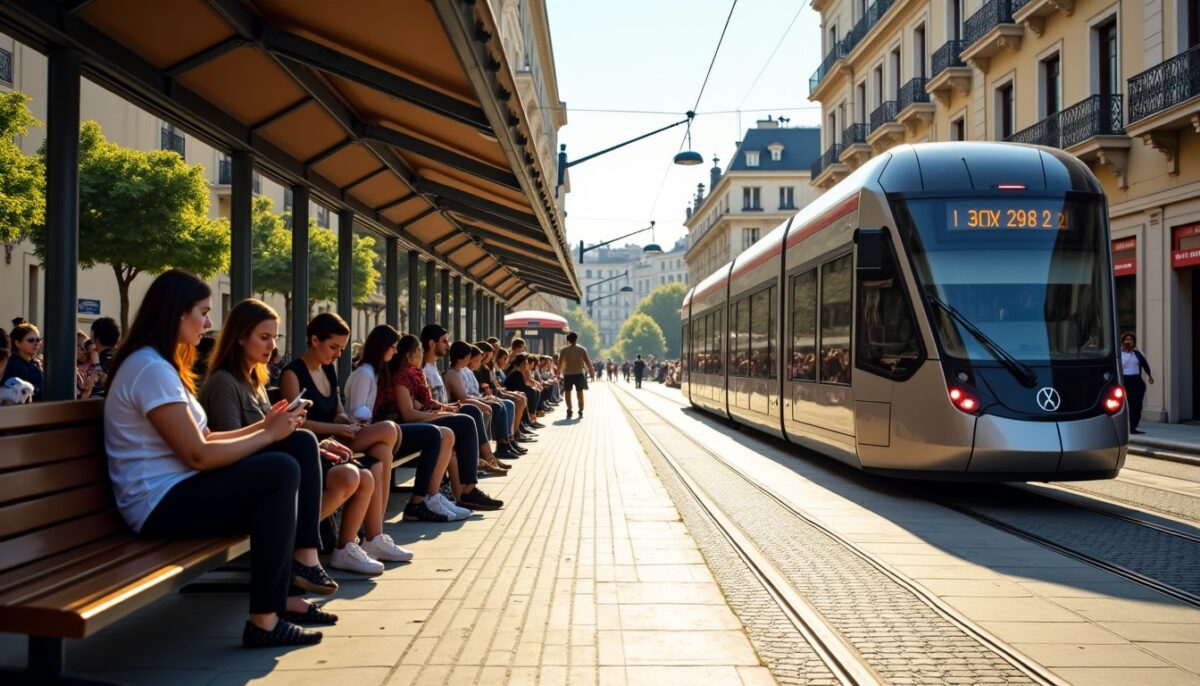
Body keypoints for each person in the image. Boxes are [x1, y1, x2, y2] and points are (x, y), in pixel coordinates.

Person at [104, 270, 327, 648]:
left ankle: (303, 563)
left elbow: (205, 438)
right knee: (280, 469)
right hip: (157, 503)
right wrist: (268, 434)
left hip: (178, 488)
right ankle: (265, 620)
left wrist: (267, 427)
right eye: (204, 313)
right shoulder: (150, 369)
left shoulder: (158, 365)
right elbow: (198, 455)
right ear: (177, 313)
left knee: (299, 444)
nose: (208, 324)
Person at [280, 313, 412, 573]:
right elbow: (295, 423)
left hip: (337, 439)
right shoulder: (292, 374)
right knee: (388, 430)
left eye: (341, 349)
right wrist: (338, 428)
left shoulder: (328, 370)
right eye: (333, 347)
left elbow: (338, 410)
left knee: (381, 453)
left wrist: (348, 422)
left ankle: (365, 539)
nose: (338, 354)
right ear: (314, 340)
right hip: (312, 445)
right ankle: (368, 539)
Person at [346, 324, 458, 524]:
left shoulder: (376, 372)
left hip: (374, 432)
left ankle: (378, 527)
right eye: (392, 347)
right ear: (381, 347)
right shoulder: (365, 373)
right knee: (431, 434)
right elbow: (357, 413)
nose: (396, 352)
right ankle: (420, 501)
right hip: (362, 433)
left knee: (388, 447)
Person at [387, 334, 503, 512]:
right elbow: (409, 414)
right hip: (405, 427)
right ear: (411, 354)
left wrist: (443, 409)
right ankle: (462, 490)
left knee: (466, 417)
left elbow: (423, 404)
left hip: (418, 420)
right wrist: (439, 414)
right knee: (463, 422)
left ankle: (463, 490)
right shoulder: (403, 376)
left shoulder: (414, 374)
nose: (421, 354)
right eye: (419, 350)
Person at [420, 325, 510, 476]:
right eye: (444, 341)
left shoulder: (434, 367)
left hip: (441, 411)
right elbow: (426, 404)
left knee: (473, 411)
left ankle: (480, 462)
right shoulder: (424, 370)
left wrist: (449, 407)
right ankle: (478, 463)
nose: (448, 345)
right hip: (433, 416)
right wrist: (448, 408)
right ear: (431, 343)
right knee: (470, 414)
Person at [444, 341, 519, 463]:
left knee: (493, 406)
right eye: (468, 357)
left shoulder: (461, 371)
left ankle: (493, 450)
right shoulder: (453, 373)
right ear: (463, 357)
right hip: (460, 406)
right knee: (483, 409)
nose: (469, 360)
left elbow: (469, 394)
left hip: (467, 402)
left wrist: (483, 399)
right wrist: (482, 402)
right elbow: (462, 398)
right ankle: (487, 454)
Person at [1120, 332, 1155, 434]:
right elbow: (1120, 365)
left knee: (1137, 405)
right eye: (1126, 339)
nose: (1129, 341)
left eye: (1131, 340)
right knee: (1127, 405)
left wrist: (1149, 376)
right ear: (1123, 342)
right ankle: (1125, 426)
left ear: (1134, 342)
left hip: (1137, 381)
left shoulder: (1138, 353)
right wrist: (1127, 351)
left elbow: (1145, 364)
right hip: (1124, 381)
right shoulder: (1120, 354)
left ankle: (1133, 426)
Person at [3, 322, 44, 402]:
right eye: (31, 340)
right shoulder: (15, 365)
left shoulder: (34, 363)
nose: (36, 343)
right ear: (17, 343)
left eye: (38, 340)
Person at [557, 332, 592, 420]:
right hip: (579, 374)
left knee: (567, 393)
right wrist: (591, 371)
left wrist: (558, 372)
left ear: (568, 340)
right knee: (580, 392)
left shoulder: (564, 350)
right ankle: (580, 409)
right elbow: (587, 361)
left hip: (568, 374)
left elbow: (560, 362)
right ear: (577, 339)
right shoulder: (582, 349)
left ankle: (569, 409)